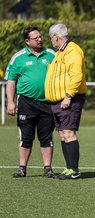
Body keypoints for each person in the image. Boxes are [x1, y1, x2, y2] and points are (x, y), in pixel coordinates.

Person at [4, 26, 55, 178]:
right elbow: (11, 82)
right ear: (27, 41)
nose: (40, 39)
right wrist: (10, 102)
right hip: (26, 103)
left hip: (48, 103)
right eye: (36, 38)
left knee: (46, 137)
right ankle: (22, 168)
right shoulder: (18, 58)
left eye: (40, 37)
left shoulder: (51, 54)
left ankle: (48, 168)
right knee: (26, 137)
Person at [44, 23, 87, 180]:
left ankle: (74, 170)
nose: (51, 41)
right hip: (59, 101)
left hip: (69, 99)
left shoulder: (72, 50)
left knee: (68, 132)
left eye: (51, 38)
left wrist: (68, 95)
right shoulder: (60, 52)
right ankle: (69, 168)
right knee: (63, 134)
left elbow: (76, 75)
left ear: (56, 37)